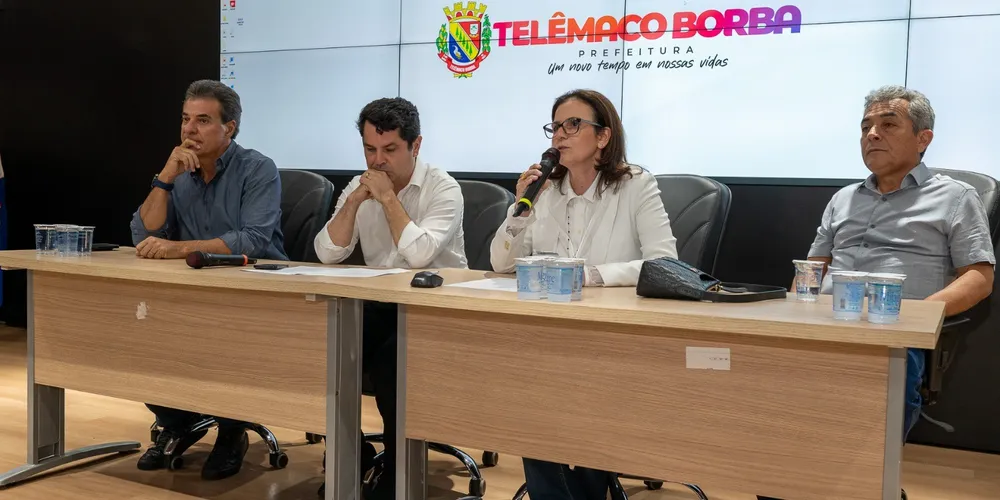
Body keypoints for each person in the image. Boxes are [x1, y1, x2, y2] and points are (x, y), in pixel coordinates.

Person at [759, 85, 995, 500]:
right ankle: (783, 480)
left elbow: (979, 277)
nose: (872, 134)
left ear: (924, 139)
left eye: (888, 124)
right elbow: (813, 270)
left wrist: (916, 317)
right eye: (866, 126)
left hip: (892, 336)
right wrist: (795, 315)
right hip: (826, 328)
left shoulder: (955, 197)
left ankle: (860, 484)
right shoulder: (843, 198)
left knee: (853, 453)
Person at [490, 89, 678, 500]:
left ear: (603, 136)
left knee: (572, 398)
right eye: (555, 126)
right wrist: (520, 208)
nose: (560, 134)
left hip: (614, 334)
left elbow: (664, 263)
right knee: (531, 396)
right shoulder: (545, 190)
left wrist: (590, 275)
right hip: (549, 331)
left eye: (573, 125)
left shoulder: (635, 185)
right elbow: (501, 262)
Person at [129, 79, 287, 480]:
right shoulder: (179, 172)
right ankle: (176, 421)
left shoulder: (258, 168)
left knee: (229, 339)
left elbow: (252, 239)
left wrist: (178, 249)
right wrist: (164, 178)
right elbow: (143, 234)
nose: (189, 130)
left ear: (229, 128)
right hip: (197, 293)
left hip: (259, 294)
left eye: (202, 120)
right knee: (141, 335)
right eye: (185, 120)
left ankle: (232, 432)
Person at [313, 96, 467, 499]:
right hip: (379, 303)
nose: (377, 161)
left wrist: (387, 199)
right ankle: (352, 452)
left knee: (390, 361)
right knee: (322, 345)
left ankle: (399, 472)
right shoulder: (359, 183)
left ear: (415, 146)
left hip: (437, 310)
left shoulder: (443, 188)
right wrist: (351, 203)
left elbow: (419, 256)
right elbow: (328, 252)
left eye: (390, 150)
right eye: (369, 149)